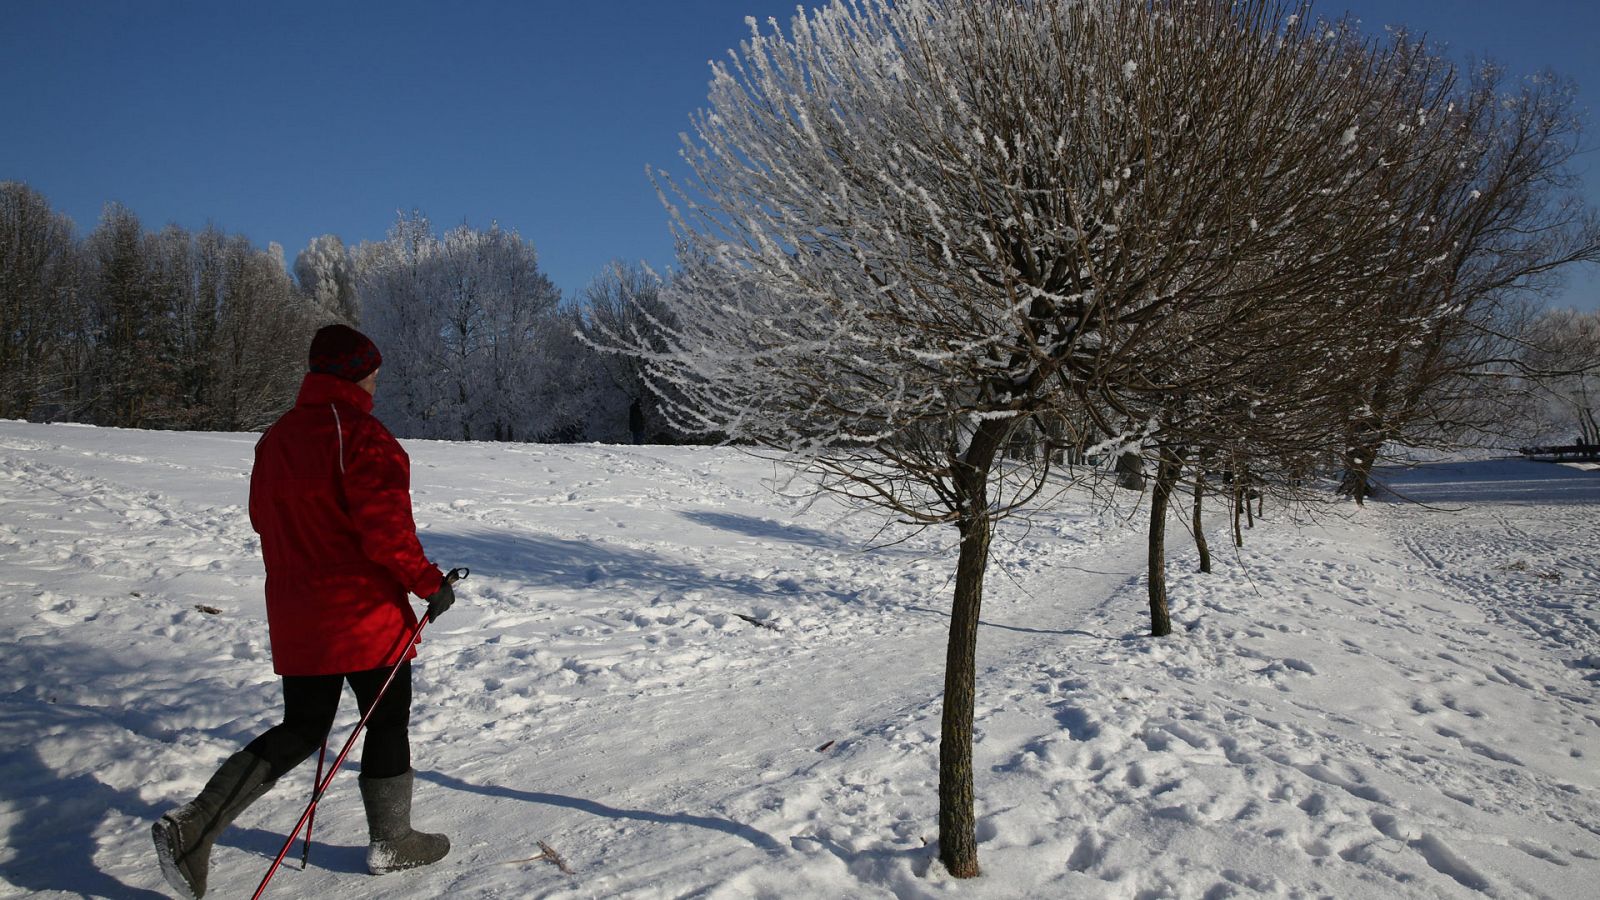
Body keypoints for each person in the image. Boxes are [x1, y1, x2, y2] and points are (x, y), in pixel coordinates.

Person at [152, 324, 459, 899]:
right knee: (386, 718)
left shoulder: (277, 436)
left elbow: (261, 519)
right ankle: (392, 841)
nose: (376, 382)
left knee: (303, 726)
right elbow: (386, 531)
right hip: (362, 612)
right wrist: (429, 584)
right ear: (354, 375)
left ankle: (196, 824)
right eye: (372, 373)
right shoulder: (364, 435)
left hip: (297, 609)